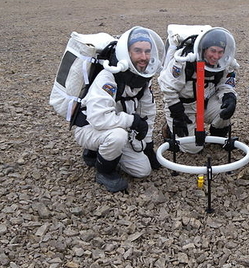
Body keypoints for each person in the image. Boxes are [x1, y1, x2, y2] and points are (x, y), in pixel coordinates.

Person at [73, 26, 165, 193]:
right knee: (117, 136)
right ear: (127, 53)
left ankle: (100, 153)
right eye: (137, 51)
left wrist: (149, 145)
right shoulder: (108, 77)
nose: (143, 57)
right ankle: (104, 172)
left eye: (147, 51)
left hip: (118, 126)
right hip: (90, 127)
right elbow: (99, 119)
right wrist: (132, 121)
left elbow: (148, 112)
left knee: (143, 171)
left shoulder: (142, 79)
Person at [159, 27, 238, 154]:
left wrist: (229, 96)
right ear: (204, 48)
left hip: (205, 102)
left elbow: (225, 84)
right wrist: (177, 112)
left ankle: (218, 133)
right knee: (193, 148)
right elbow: (167, 86)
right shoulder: (184, 61)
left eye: (220, 52)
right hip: (183, 106)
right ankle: (169, 129)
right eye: (212, 51)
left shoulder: (224, 63)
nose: (216, 56)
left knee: (225, 108)